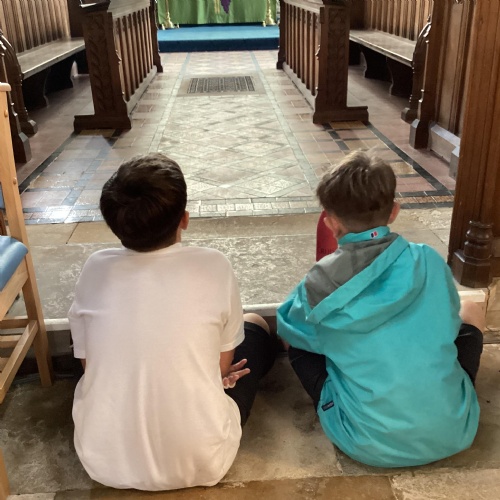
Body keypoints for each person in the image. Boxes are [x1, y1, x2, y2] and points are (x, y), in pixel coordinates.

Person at [69, 153, 276, 490]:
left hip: (103, 462)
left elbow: (87, 364)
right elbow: (221, 369)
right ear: (184, 219)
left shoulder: (95, 268)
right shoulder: (214, 265)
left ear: (115, 224)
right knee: (255, 326)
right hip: (203, 461)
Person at [277, 151, 484, 468]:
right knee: (471, 310)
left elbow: (290, 328)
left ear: (330, 223)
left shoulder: (318, 283)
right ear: (394, 212)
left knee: (298, 344)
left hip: (367, 442)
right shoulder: (428, 259)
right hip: (455, 430)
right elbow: (448, 322)